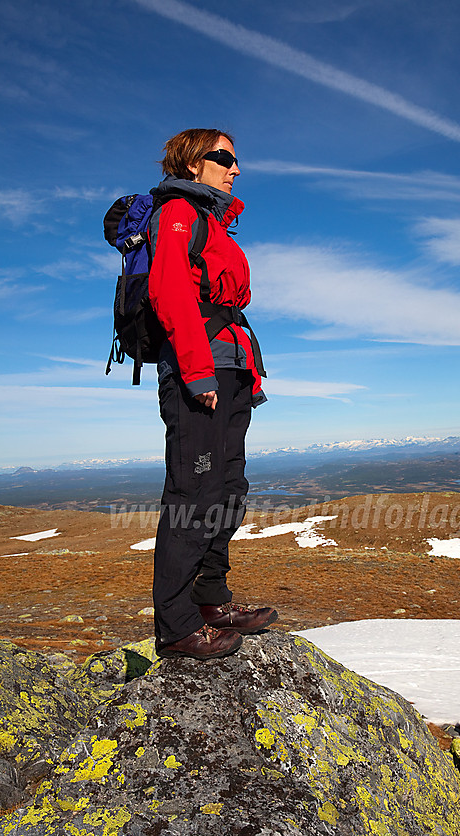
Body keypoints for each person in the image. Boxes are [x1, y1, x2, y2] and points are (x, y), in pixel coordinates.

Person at [149, 128, 277, 659]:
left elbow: (224, 305)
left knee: (228, 489)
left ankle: (210, 598)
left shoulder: (214, 223)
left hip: (229, 371)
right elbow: (169, 288)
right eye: (224, 158)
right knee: (192, 500)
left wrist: (246, 373)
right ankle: (177, 628)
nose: (235, 168)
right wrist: (199, 372)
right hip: (197, 374)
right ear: (192, 163)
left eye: (235, 160)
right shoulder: (179, 211)